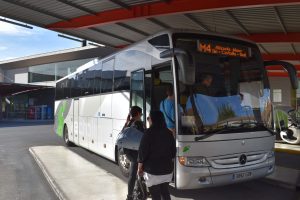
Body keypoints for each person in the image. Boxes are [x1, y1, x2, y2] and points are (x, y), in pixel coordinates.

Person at [137, 111, 176, 200]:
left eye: (148, 118)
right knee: (165, 192)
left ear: (152, 119)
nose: (148, 120)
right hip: (167, 170)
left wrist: (139, 168)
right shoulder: (169, 133)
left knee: (155, 195)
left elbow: (142, 152)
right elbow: (173, 152)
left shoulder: (148, 133)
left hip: (152, 172)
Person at [123, 106, 145, 200]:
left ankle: (131, 195)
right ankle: (137, 193)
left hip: (128, 151)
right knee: (137, 172)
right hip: (136, 152)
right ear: (138, 114)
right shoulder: (138, 123)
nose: (141, 115)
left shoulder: (129, 122)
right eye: (141, 114)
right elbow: (143, 137)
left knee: (133, 173)